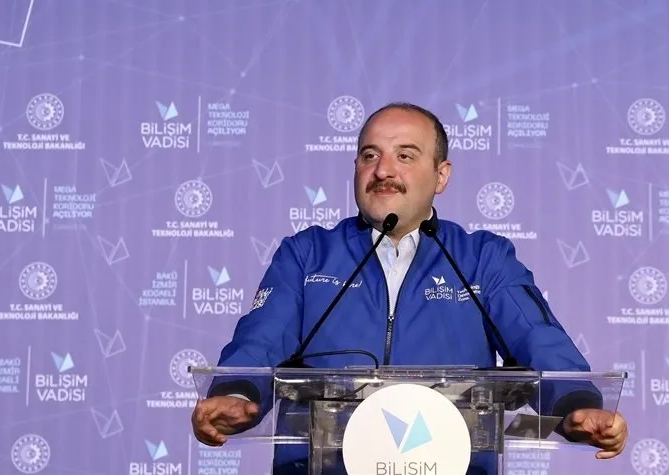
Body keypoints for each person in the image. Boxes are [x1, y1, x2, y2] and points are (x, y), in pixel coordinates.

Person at [190, 102, 628, 473]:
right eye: (369, 155)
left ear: (441, 175)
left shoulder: (482, 258)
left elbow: (539, 338)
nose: (383, 170)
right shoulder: (306, 254)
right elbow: (261, 340)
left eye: (405, 155)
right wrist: (235, 392)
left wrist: (577, 403)